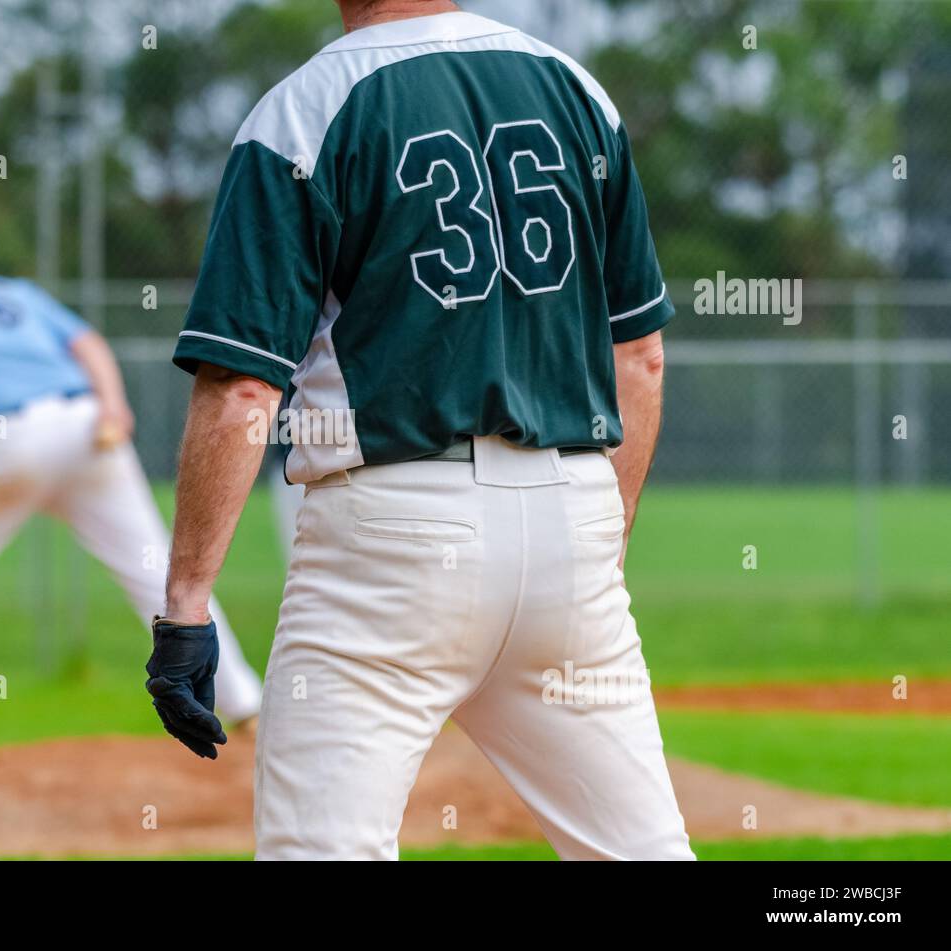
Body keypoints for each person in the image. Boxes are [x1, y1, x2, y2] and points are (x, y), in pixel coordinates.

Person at [146, 2, 693, 859]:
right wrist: (598, 547)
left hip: (391, 532)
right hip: (573, 514)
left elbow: (244, 389)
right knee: (640, 851)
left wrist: (185, 610)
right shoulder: (578, 90)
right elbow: (642, 357)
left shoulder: (309, 106)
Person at [0, 216, 261, 759]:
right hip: (89, 427)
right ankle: (246, 707)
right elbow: (87, 343)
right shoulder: (8, 290)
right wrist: (113, 403)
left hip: (12, 437)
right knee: (163, 574)